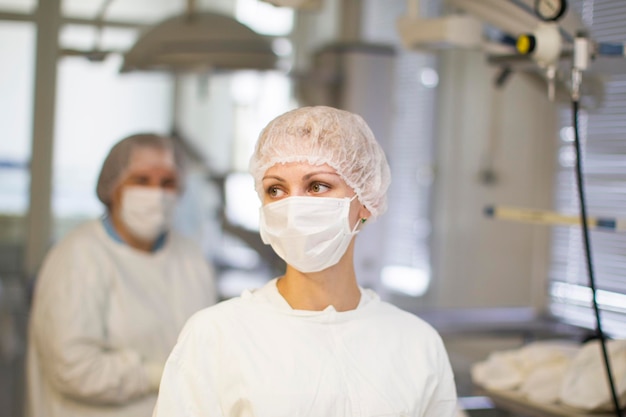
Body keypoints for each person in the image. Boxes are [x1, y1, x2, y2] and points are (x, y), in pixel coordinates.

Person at [152, 106, 458, 416]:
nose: (294, 206)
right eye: (276, 189)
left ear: (366, 201)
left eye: (317, 186)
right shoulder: (216, 334)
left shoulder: (417, 344)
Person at [25, 133, 218, 417]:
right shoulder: (79, 257)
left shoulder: (190, 257)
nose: (157, 194)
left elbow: (207, 343)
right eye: (142, 181)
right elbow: (73, 370)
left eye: (167, 183)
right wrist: (157, 373)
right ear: (113, 188)